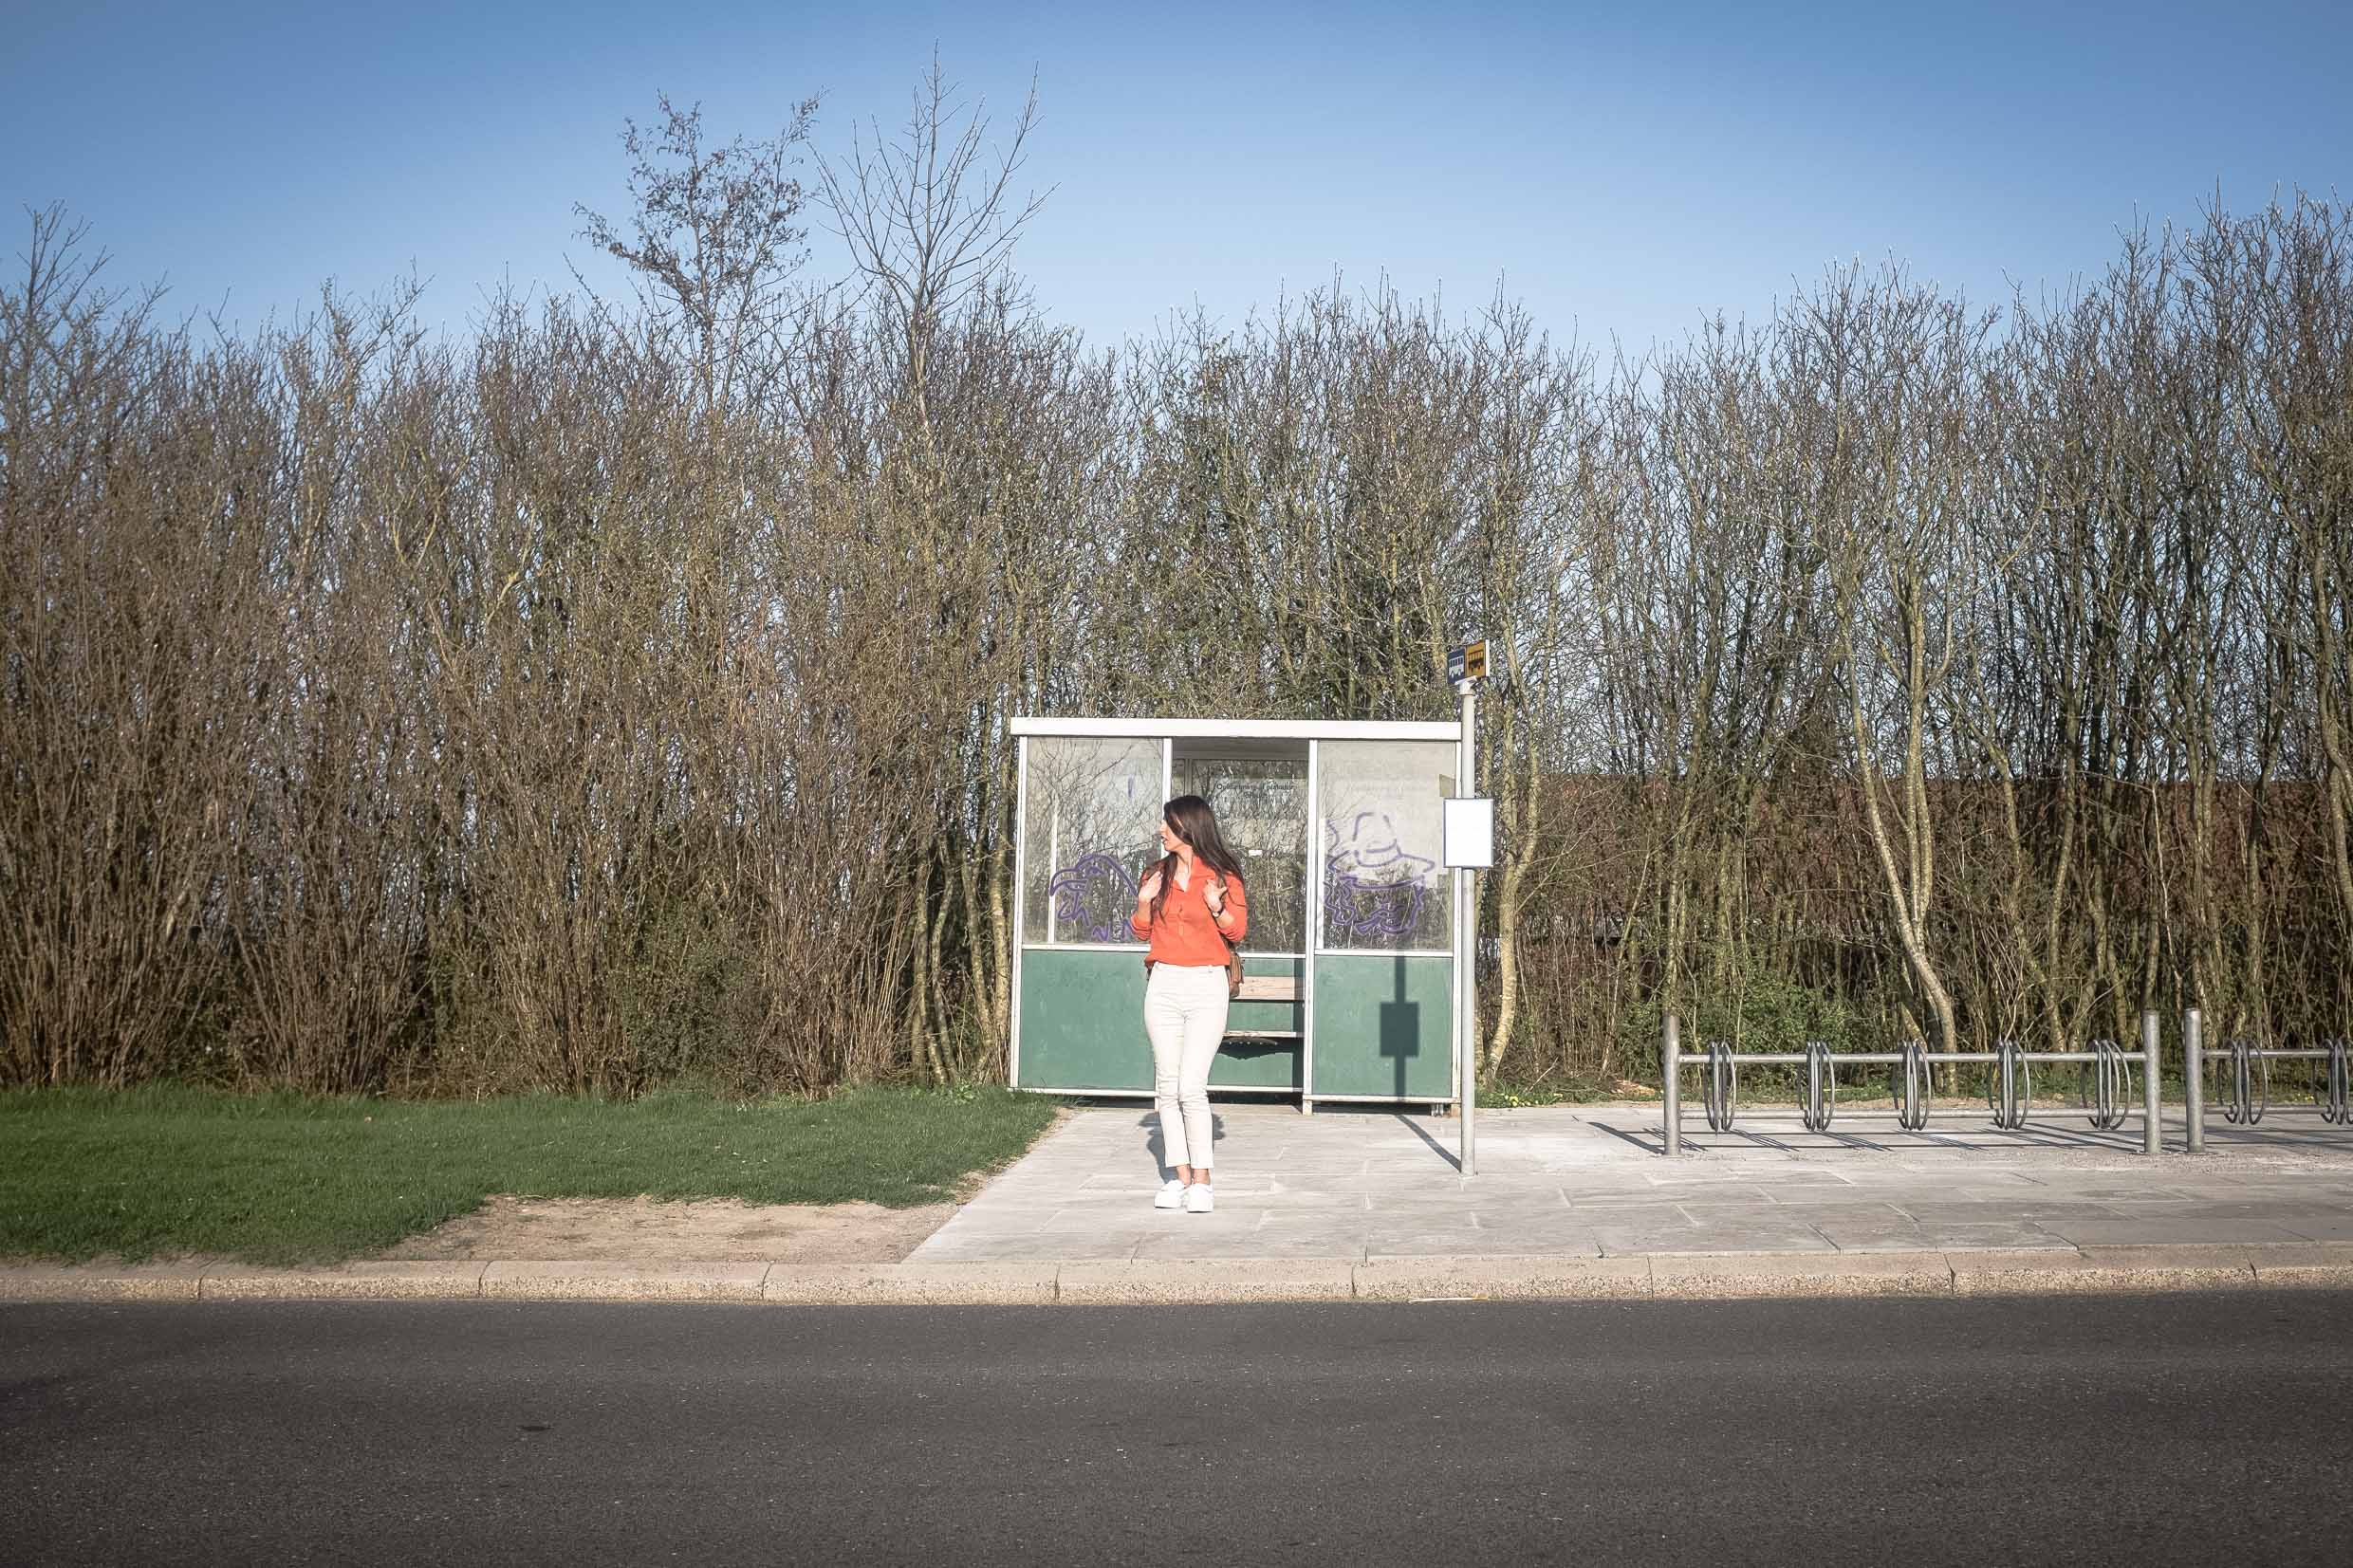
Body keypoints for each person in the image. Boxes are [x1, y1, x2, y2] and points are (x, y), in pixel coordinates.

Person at [1131, 794, 1249, 1214]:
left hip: (1206, 986)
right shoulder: (1155, 873)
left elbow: (1238, 932)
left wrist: (1218, 909)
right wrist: (1144, 901)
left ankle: (1203, 1180)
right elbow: (1142, 931)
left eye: (1167, 823)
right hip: (1163, 984)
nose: (1161, 830)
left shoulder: (1222, 875)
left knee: (1190, 1087)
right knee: (1166, 1088)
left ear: (1188, 827)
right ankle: (1179, 1177)